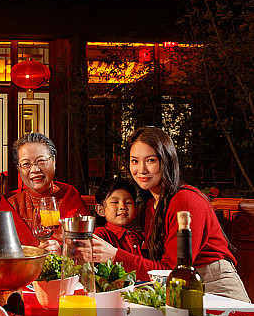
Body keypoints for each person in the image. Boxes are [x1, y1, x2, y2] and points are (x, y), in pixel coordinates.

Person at [92, 126, 250, 301]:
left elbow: (171, 269)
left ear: (166, 161)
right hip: (177, 287)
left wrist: (115, 255)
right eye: (135, 161)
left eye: (150, 160)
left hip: (214, 286)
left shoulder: (186, 201)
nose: (141, 169)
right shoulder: (150, 206)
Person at [0, 132, 88, 250]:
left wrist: (63, 249)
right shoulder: (11, 203)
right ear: (19, 168)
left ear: (54, 161)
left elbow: (85, 247)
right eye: (26, 164)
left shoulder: (69, 197)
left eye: (41, 161)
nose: (35, 169)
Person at [93, 175, 146, 256]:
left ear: (136, 210)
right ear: (101, 210)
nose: (122, 207)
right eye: (115, 202)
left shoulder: (140, 236)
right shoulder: (101, 235)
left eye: (128, 203)